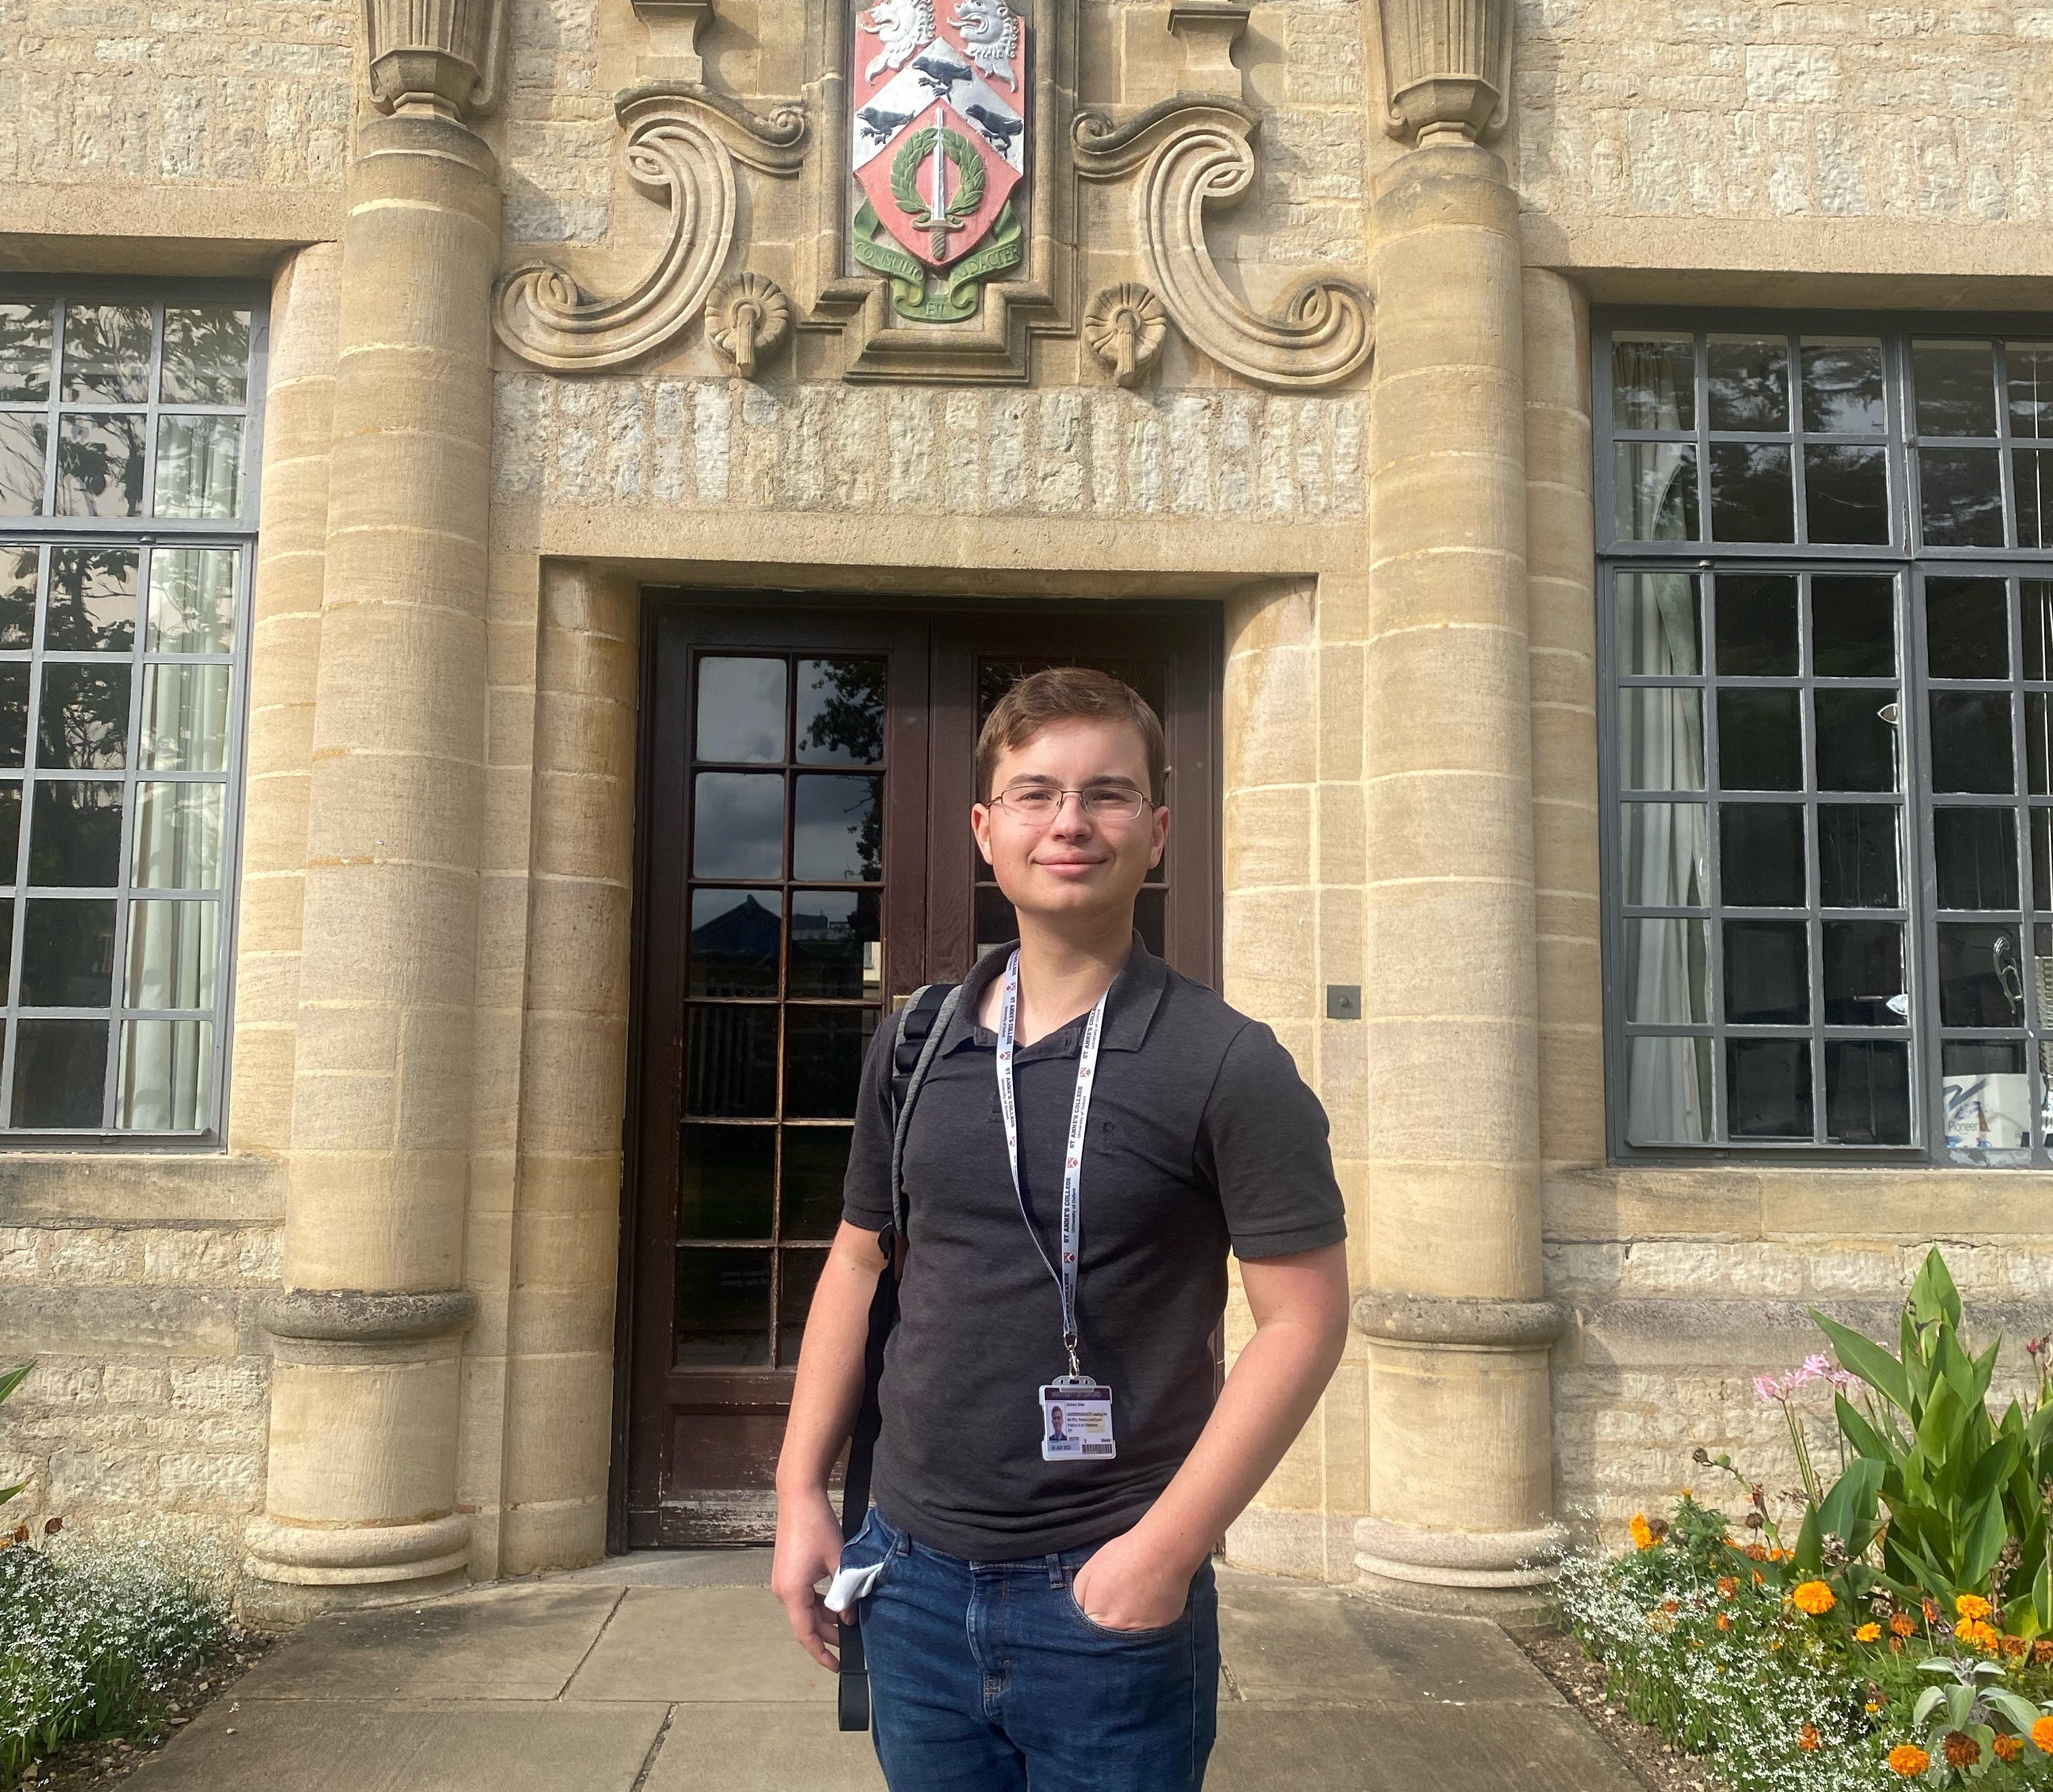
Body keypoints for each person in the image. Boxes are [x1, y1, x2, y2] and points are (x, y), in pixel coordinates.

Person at [771, 667, 1350, 1792]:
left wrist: (1163, 1555)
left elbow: (1303, 1321)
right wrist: (800, 1492)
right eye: (1035, 794)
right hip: (910, 1578)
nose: (1070, 821)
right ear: (986, 831)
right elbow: (858, 1262)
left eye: (1108, 793)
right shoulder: (915, 1042)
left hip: (1106, 1588)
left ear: (1159, 831)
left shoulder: (1228, 1064)